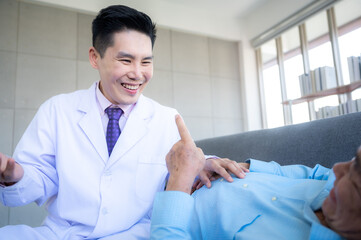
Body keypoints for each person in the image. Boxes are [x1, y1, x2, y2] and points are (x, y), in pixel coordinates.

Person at [0, 5, 247, 240]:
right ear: (95, 58)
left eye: (146, 62)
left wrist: (202, 165)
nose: (138, 73)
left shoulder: (166, 118)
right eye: (126, 60)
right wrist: (15, 174)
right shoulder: (57, 110)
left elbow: (177, 174)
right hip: (63, 233)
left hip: (135, 234)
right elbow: (40, 178)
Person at [150, 115, 361, 240]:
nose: (337, 169)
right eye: (354, 161)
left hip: (155, 217)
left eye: (353, 179)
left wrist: (180, 182)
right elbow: (307, 172)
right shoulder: (330, 180)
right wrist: (237, 167)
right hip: (186, 174)